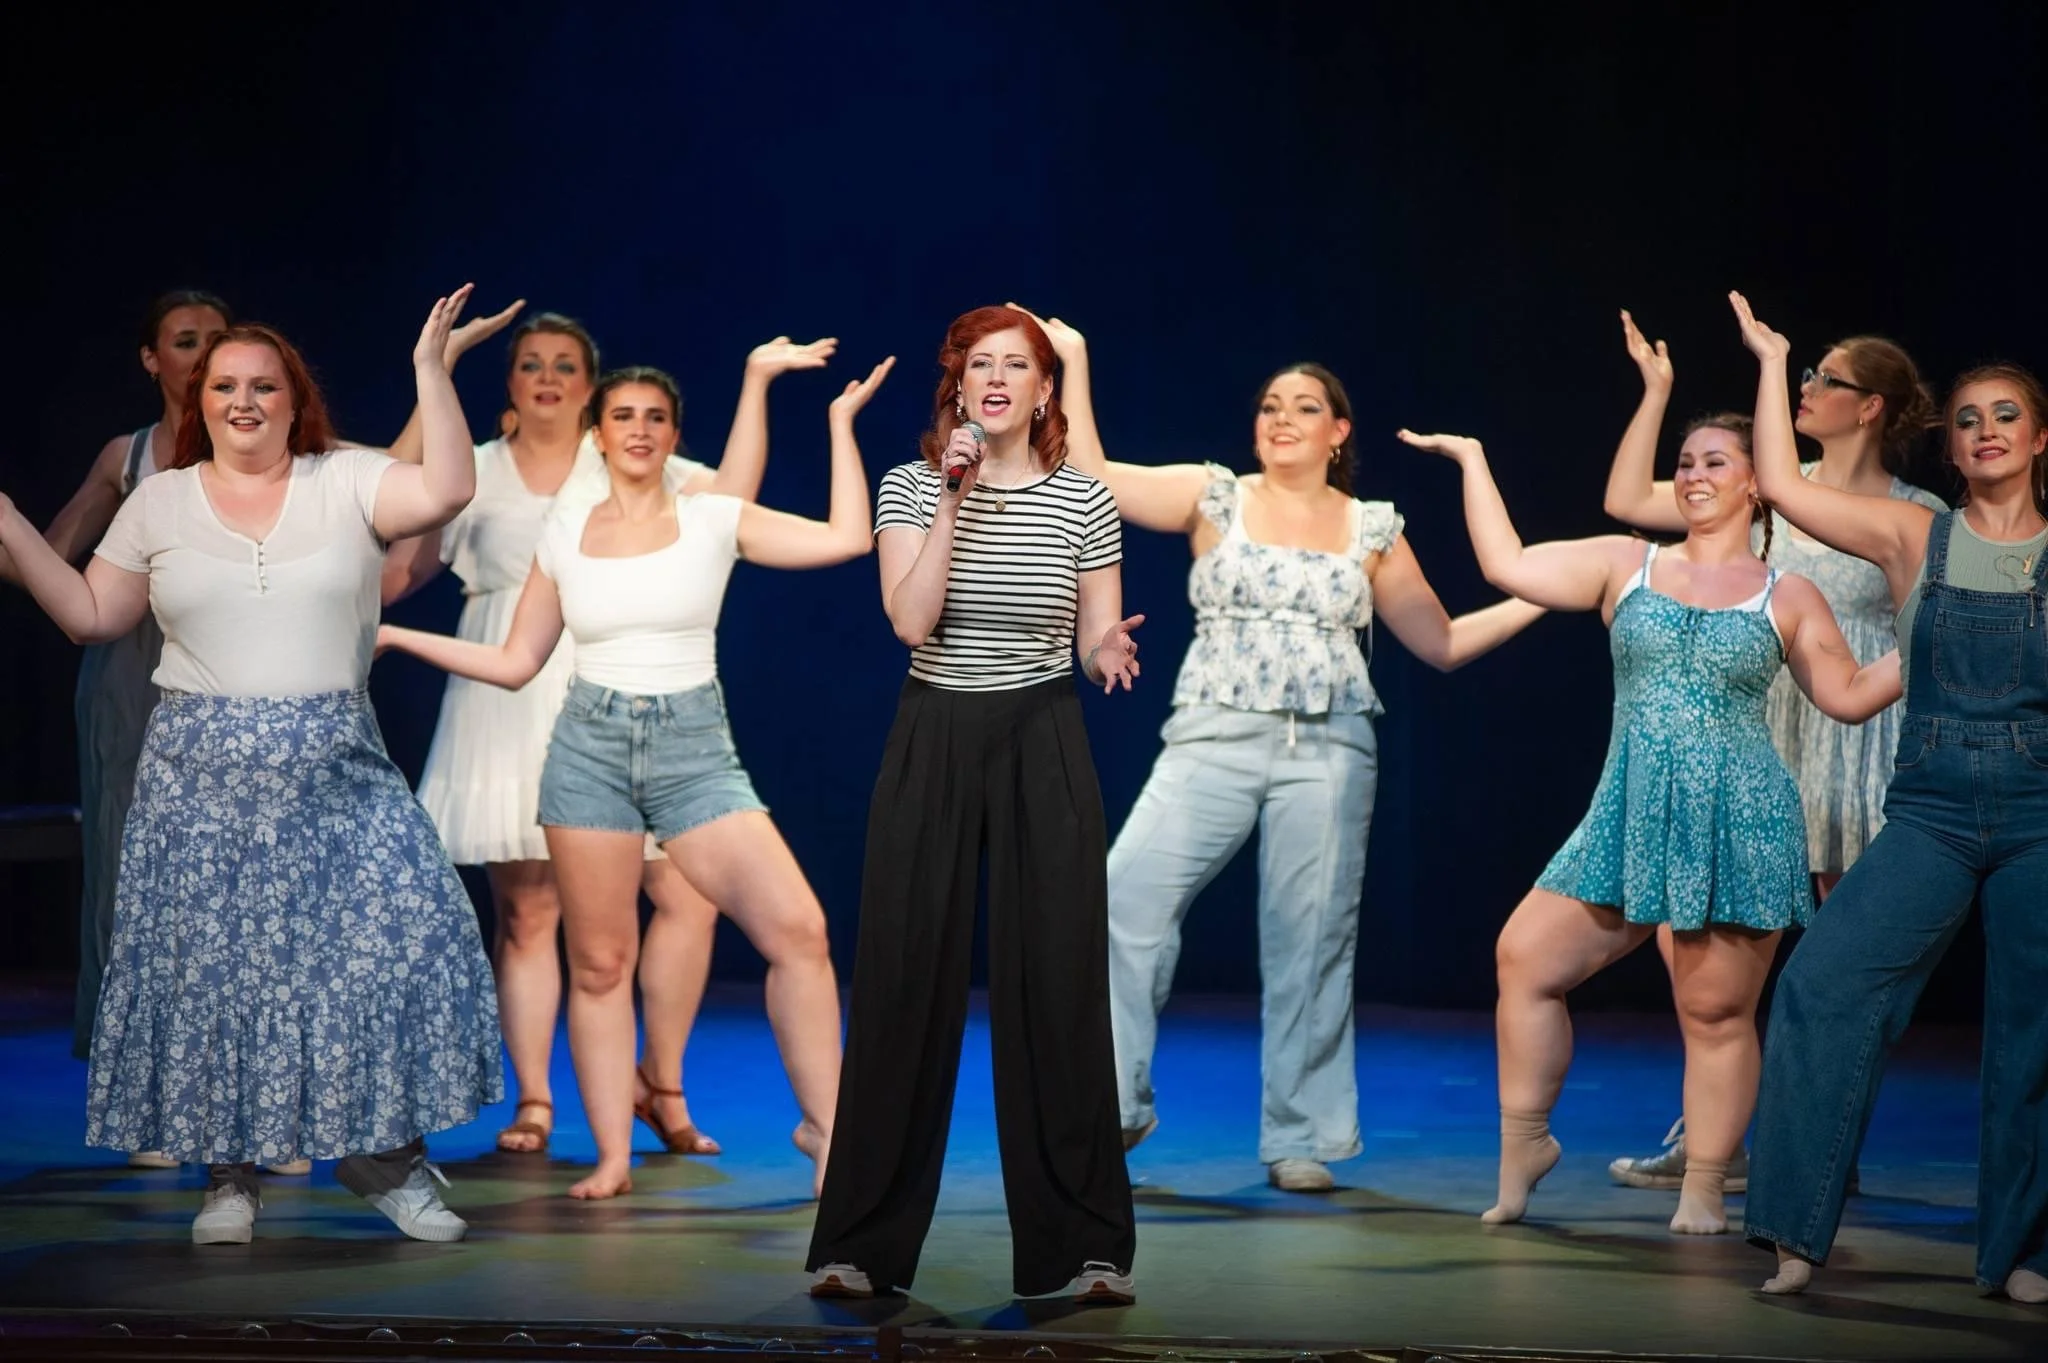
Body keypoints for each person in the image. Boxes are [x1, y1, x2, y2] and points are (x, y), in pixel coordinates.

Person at [0, 288, 501, 1245]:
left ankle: (382, 1158)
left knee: (393, 954)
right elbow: (89, 616)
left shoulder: (346, 477)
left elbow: (445, 489)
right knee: (217, 979)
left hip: (336, 764)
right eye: (224, 384)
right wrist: (10, 520)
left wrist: (431, 373)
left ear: (291, 396)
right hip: (201, 773)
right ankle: (230, 1178)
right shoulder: (160, 498)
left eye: (263, 385)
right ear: (200, 400)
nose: (242, 400)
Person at [1011, 305, 1545, 1192]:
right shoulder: (1214, 492)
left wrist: (1544, 595)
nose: (1281, 419)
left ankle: (1300, 1132)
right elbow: (1093, 475)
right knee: (1124, 898)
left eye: (1303, 408)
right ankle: (1112, 1106)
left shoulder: (1373, 527)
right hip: (1213, 731)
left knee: (1311, 939)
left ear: (1339, 432)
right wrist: (1072, 358)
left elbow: (1442, 642)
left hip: (1328, 747)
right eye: (1269, 406)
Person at [377, 354, 889, 1200]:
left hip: (694, 751)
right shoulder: (565, 534)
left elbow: (844, 536)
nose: (640, 430)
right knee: (602, 961)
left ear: (674, 435)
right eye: (624, 417)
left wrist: (837, 425)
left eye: (656, 417)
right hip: (589, 749)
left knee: (799, 930)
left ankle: (828, 1128)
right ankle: (613, 1153)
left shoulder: (712, 515)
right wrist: (398, 639)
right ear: (599, 435)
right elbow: (513, 660)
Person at [1399, 380, 1901, 1235]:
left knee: (1713, 1012)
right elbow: (1506, 565)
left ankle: (1705, 1183)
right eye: (1685, 462)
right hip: (1628, 811)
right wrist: (1474, 461)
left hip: (1738, 820)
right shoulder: (1624, 561)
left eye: (1716, 461)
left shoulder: (1787, 593)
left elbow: (1848, 694)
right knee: (1524, 958)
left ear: (1755, 483)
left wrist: (1928, 640)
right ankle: (1525, 1142)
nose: (1696, 474)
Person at [805, 306, 1140, 1307]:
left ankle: (1080, 1249)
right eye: (978, 365)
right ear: (956, 386)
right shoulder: (912, 484)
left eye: (1017, 365)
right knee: (904, 981)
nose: (996, 378)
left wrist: (1104, 648)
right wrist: (953, 496)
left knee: (1058, 986)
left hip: (1042, 734)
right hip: (935, 731)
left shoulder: (1084, 501)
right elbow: (910, 619)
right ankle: (859, 1244)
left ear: (1044, 389)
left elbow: (1089, 633)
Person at [1727, 292, 2048, 1304]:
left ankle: (2014, 1252)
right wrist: (1775, 362)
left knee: (2030, 1029)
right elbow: (1776, 479)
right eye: (1965, 419)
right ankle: (1790, 1232)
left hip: (2041, 812)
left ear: (2037, 439)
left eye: (2004, 415)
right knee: (1821, 984)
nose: (1984, 431)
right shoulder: (1916, 534)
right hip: (1932, 809)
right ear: (1946, 449)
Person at [1600, 309, 1945, 1193]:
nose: (1806, 390)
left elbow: (1924, 634)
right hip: (1752, 736)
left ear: (1869, 407)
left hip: (1855, 740)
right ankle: (1714, 1134)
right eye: (1806, 375)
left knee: (1845, 961)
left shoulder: (1915, 514)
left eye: (1825, 380)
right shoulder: (1770, 488)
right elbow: (1625, 502)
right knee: (1707, 958)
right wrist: (1658, 392)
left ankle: (1822, 1143)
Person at [2, 292, 230, 1096]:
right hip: (132, 677)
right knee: (129, 873)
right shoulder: (125, 455)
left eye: (216, 339)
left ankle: (238, 1080)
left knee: (231, 878)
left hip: (228, 670)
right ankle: (142, 1086)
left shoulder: (255, 446)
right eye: (184, 340)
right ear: (151, 359)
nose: (202, 353)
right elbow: (47, 558)